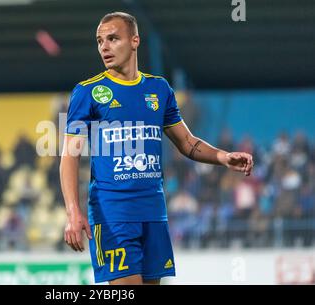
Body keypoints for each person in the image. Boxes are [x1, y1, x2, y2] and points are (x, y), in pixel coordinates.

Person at [59, 12, 254, 285]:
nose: (104, 46)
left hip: (153, 213)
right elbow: (70, 155)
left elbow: (186, 142)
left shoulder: (159, 89)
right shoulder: (88, 92)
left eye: (113, 38)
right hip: (113, 214)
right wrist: (73, 211)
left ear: (134, 40)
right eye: (100, 41)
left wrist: (223, 157)